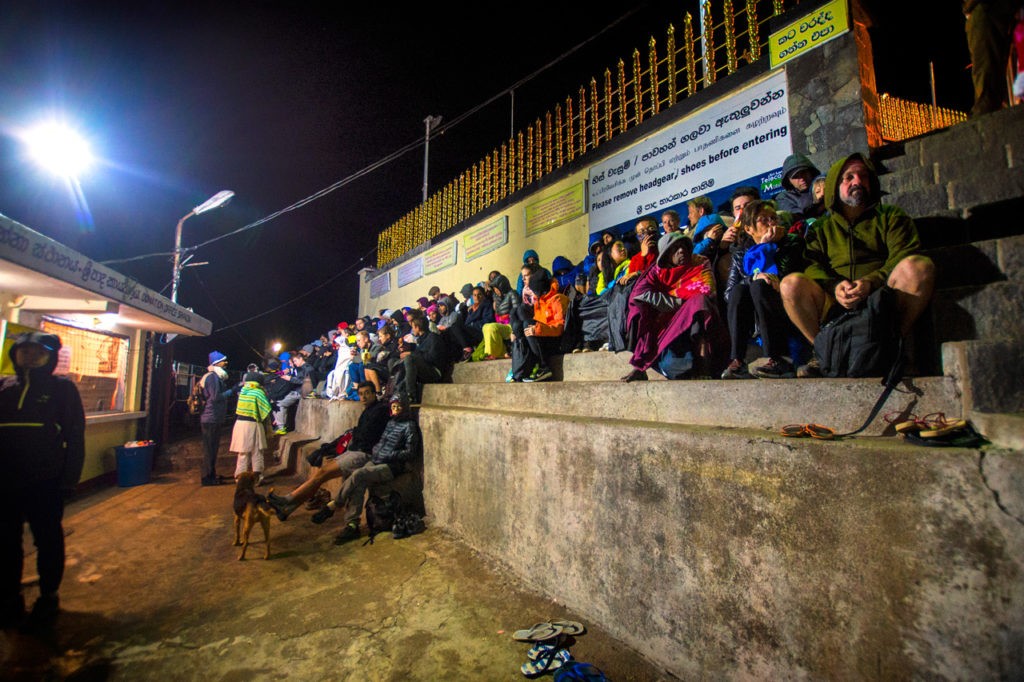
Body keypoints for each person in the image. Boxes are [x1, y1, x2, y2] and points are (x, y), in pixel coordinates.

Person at [780, 152, 936, 377]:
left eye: (863, 176)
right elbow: (811, 264)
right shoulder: (821, 228)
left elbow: (904, 253)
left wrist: (871, 283)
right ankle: (824, 352)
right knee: (790, 284)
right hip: (836, 299)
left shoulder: (889, 216)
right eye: (849, 177)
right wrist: (835, 286)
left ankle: (891, 348)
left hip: (881, 296)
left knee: (918, 267)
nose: (857, 182)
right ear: (835, 185)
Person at [0, 332, 85, 631]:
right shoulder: (5, 388)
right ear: (15, 355)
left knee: (47, 540)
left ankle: (48, 596)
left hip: (46, 481)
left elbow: (75, 436)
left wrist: (69, 479)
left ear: (49, 356)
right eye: (24, 352)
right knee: (6, 542)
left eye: (36, 352)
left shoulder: (62, 390)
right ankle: (9, 598)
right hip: (6, 482)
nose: (30, 356)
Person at [267, 381, 390, 520]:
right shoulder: (368, 410)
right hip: (355, 451)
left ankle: (287, 500)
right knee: (321, 475)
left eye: (367, 393)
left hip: (363, 454)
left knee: (323, 473)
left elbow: (367, 435)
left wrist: (356, 436)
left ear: (374, 393)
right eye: (361, 394)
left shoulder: (379, 410)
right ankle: (288, 508)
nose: (364, 397)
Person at [620, 232, 727, 382]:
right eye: (675, 248)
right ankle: (641, 367)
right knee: (640, 309)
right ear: (666, 255)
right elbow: (640, 294)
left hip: (694, 322)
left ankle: (703, 365)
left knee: (699, 303)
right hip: (666, 323)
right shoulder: (656, 271)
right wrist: (676, 303)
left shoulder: (699, 262)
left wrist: (675, 302)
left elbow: (707, 290)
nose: (681, 251)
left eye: (684, 246)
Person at [315, 395, 422, 545]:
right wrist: (377, 450)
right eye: (393, 407)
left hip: (391, 466)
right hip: (377, 460)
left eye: (399, 407)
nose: (396, 410)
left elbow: (410, 452)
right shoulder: (390, 423)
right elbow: (381, 442)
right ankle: (352, 525)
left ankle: (334, 505)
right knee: (358, 482)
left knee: (359, 474)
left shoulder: (409, 426)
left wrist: (389, 455)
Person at [721, 200, 807, 379]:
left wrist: (766, 247)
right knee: (739, 291)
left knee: (761, 286)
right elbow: (729, 293)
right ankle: (737, 360)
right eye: (763, 220)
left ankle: (777, 357)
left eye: (773, 218)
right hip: (756, 316)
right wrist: (753, 277)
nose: (771, 223)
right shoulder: (740, 253)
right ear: (748, 229)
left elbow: (784, 277)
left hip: (786, 307)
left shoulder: (791, 243)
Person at [963, 0, 1018, 116]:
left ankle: (983, 115)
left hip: (986, 10)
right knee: (991, 72)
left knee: (987, 72)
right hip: (988, 11)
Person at [516, 267, 568, 382]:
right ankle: (522, 369)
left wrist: (539, 329)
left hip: (557, 341)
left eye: (534, 290)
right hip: (545, 336)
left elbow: (560, 328)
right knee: (521, 327)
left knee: (528, 324)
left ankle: (544, 367)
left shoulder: (557, 300)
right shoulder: (540, 302)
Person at [230, 369, 273, 484]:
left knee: (243, 453)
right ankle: (257, 478)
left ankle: (240, 478)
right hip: (253, 424)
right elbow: (265, 410)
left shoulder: (243, 391)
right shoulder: (258, 392)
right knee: (257, 451)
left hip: (239, 424)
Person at [199, 350, 235, 485]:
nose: (226, 363)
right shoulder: (213, 377)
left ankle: (211, 474)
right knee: (210, 449)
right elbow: (215, 397)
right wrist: (232, 391)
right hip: (211, 417)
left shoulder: (214, 377)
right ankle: (207, 478)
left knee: (212, 448)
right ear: (216, 363)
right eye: (223, 360)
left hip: (212, 417)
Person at [773, 153, 823, 221]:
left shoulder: (824, 184)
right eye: (796, 176)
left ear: (811, 172)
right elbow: (795, 217)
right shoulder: (784, 198)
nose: (802, 178)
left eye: (804, 173)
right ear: (789, 181)